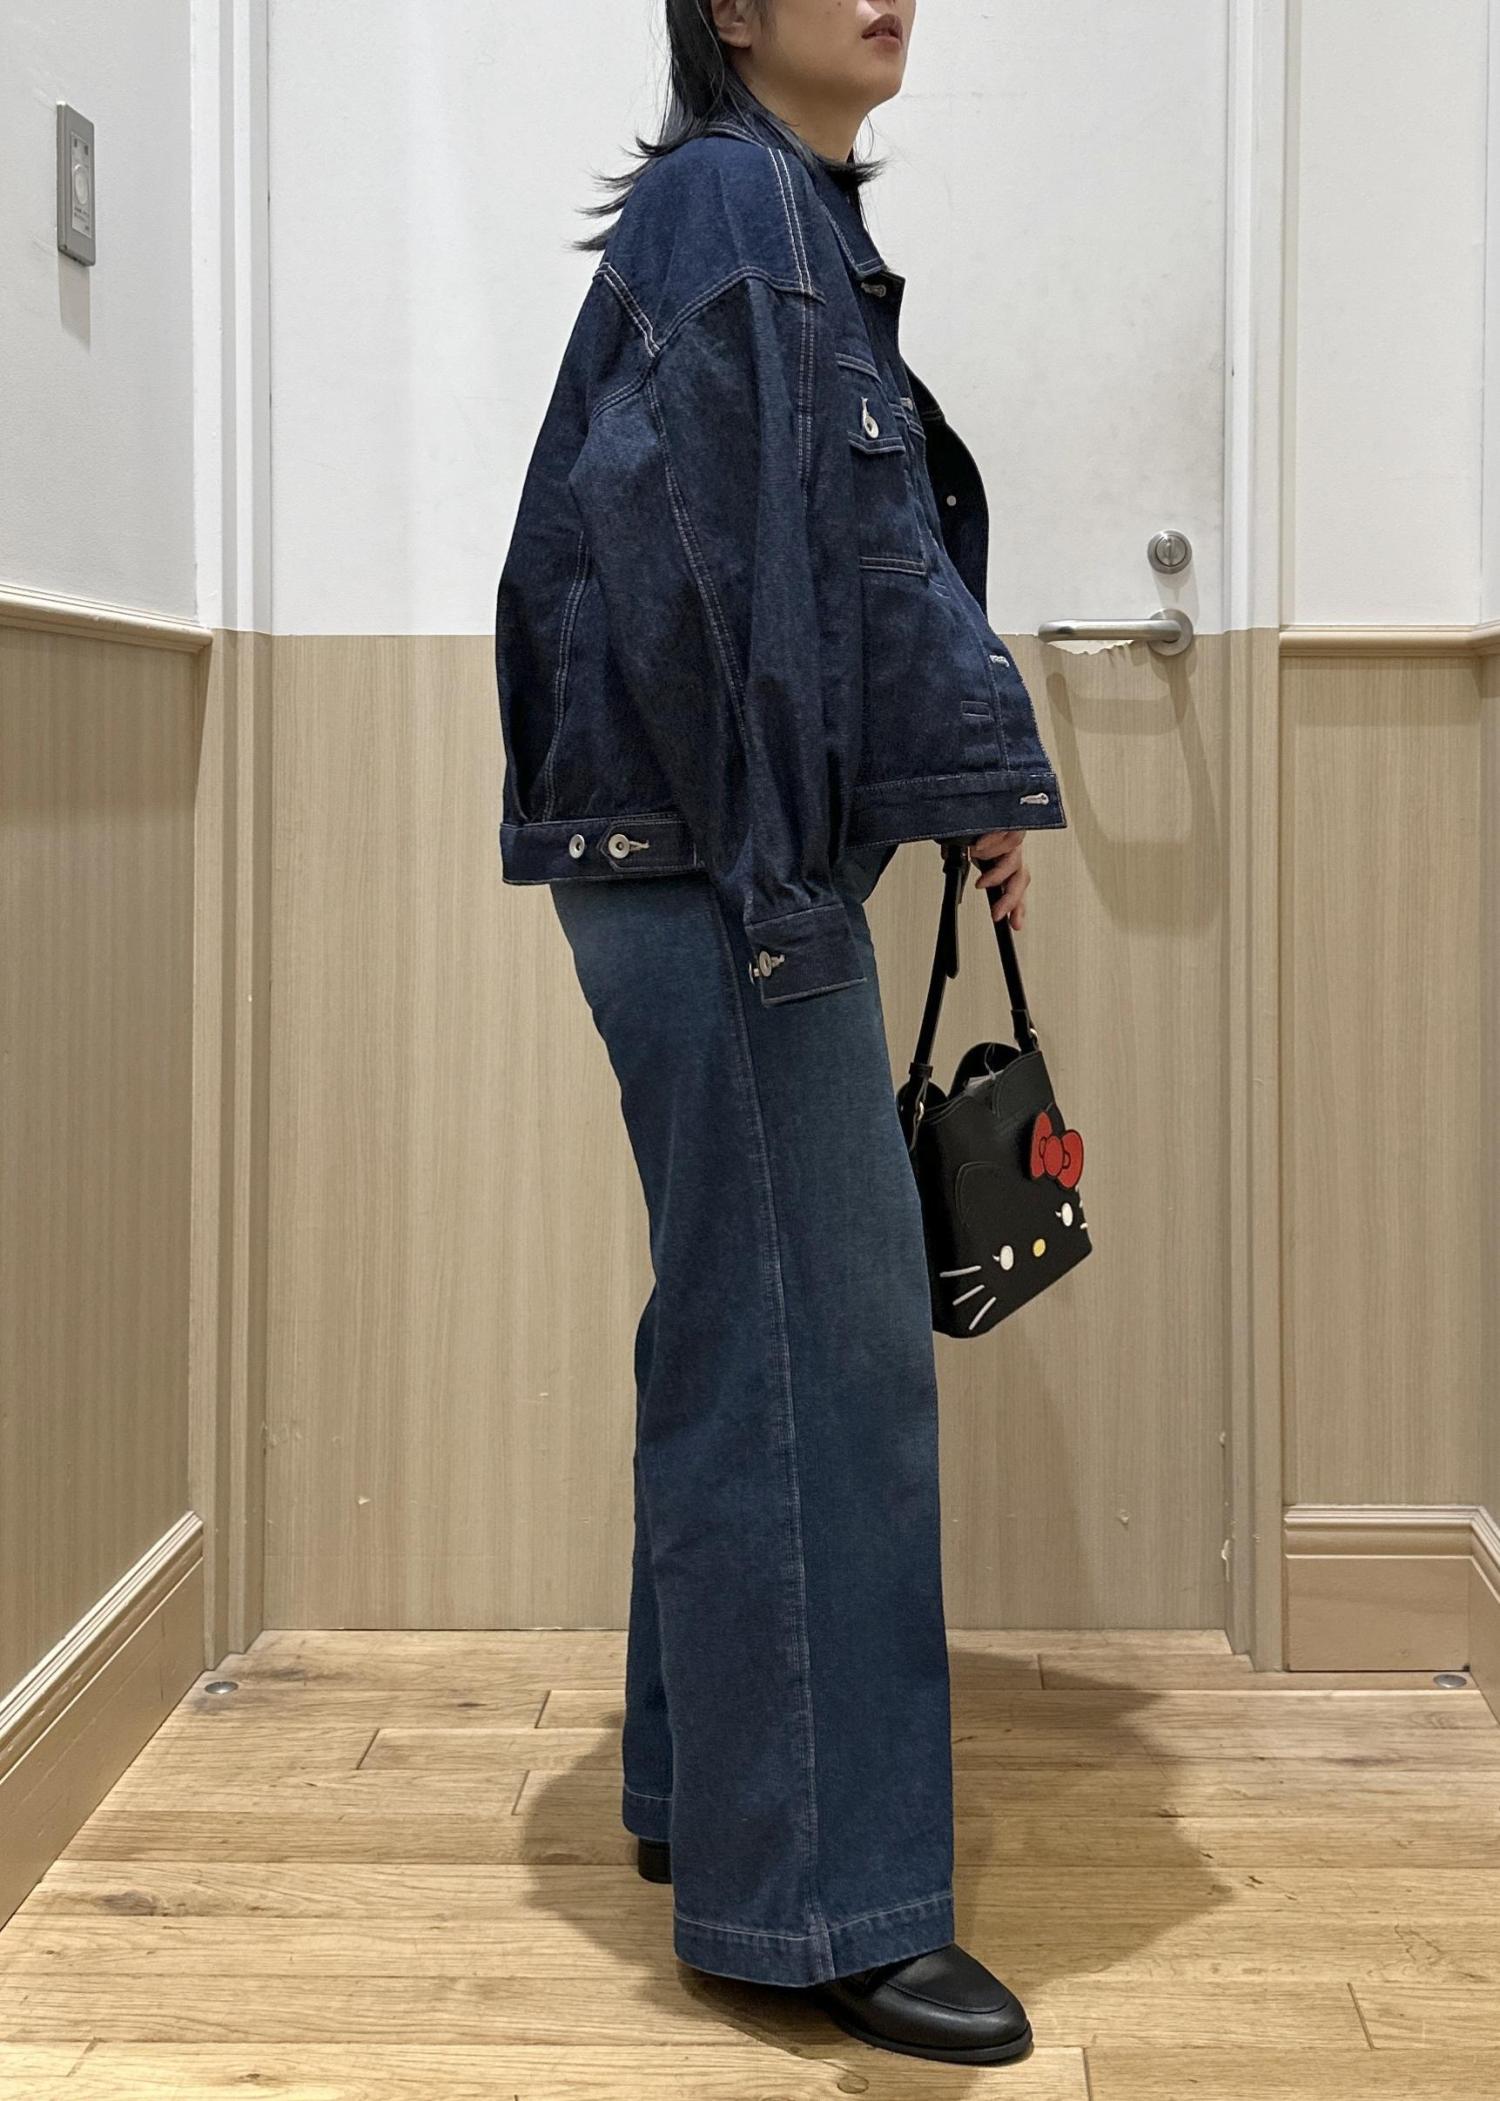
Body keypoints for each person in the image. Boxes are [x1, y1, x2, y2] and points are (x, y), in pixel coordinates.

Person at [493, 0, 1068, 2067]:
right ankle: (814, 1901)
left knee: (746, 1323)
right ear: (727, 6)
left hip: (705, 850)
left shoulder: (772, 211)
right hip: (721, 863)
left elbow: (839, 556)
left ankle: (709, 1799)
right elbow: (715, 583)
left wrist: (953, 775)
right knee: (827, 1360)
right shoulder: (738, 205)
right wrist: (785, 883)